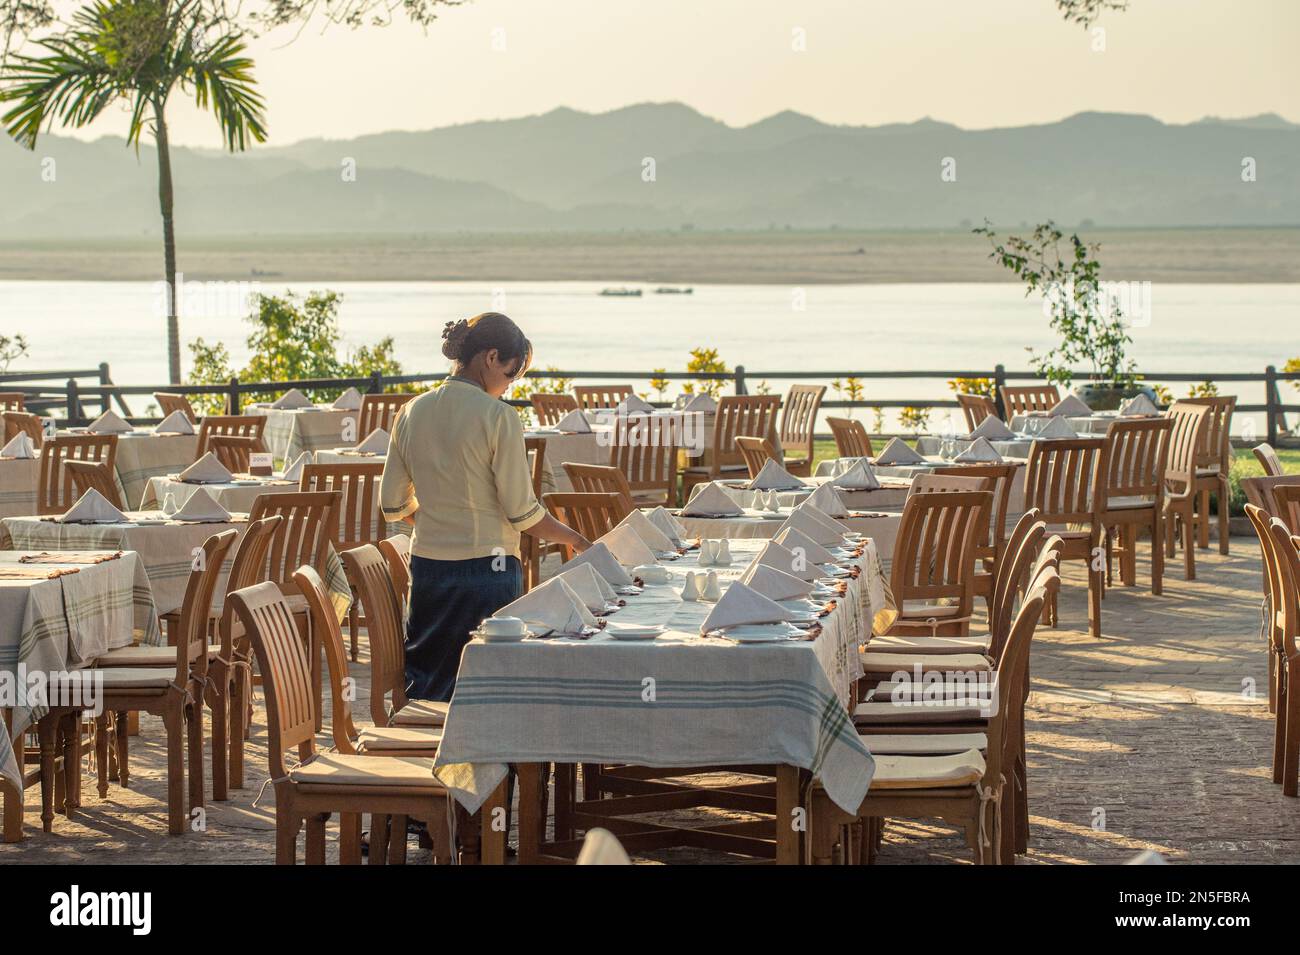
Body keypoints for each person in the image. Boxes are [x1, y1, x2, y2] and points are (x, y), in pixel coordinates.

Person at [379, 312, 591, 700]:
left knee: (431, 685)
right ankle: (492, 760)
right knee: (490, 687)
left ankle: (431, 751)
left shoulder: (410, 412)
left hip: (427, 571)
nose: (509, 387)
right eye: (510, 374)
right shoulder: (499, 417)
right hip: (487, 572)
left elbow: (392, 503)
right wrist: (578, 540)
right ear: (491, 357)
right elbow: (522, 513)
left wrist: (439, 523)